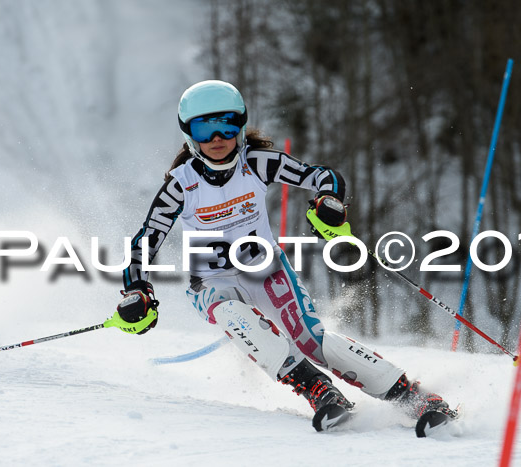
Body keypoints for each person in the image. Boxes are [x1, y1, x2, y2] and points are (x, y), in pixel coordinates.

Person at [115, 79, 458, 435]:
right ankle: (319, 391)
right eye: (205, 129)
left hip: (267, 271)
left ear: (242, 127)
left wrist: (329, 202)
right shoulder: (180, 185)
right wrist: (137, 290)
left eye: (227, 126)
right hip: (211, 282)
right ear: (189, 135)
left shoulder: (258, 163)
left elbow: (325, 176)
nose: (217, 139)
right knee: (233, 314)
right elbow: (146, 241)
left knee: (312, 339)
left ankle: (417, 398)